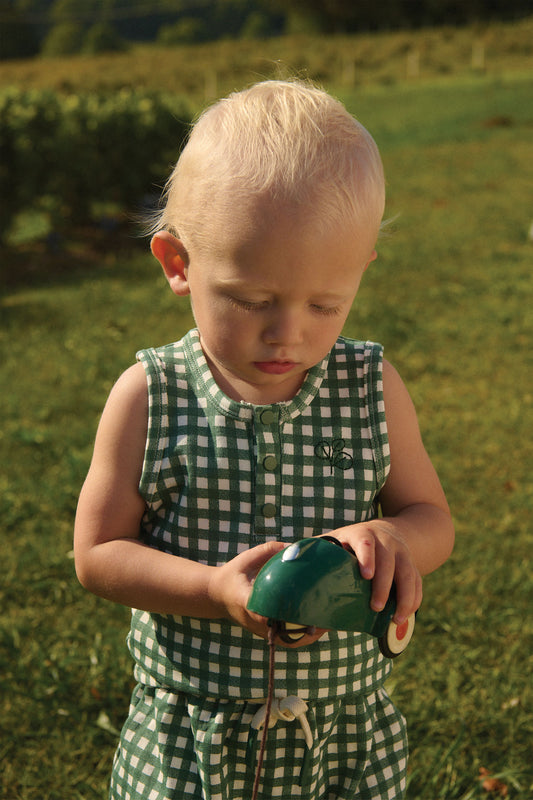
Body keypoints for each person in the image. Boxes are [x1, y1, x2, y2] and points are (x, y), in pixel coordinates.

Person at [74, 79, 454, 800]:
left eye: (324, 303)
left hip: (339, 730)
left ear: (361, 268)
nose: (288, 332)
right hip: (195, 735)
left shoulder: (370, 386)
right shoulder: (151, 395)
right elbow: (98, 556)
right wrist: (212, 589)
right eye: (252, 301)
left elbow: (430, 517)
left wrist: (393, 539)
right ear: (177, 264)